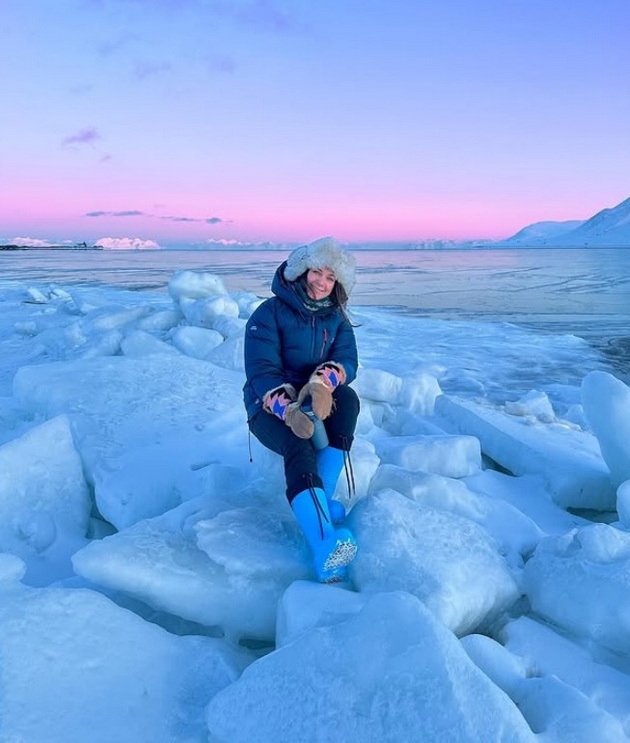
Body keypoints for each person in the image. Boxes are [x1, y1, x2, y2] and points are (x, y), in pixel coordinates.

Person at [243, 237, 360, 582]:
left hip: (311, 397)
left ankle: (319, 502)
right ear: (301, 272)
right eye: (317, 273)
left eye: (330, 278)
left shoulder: (336, 318)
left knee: (349, 400)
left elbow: (348, 360)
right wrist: (288, 409)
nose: (321, 283)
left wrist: (324, 383)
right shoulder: (268, 313)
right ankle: (324, 546)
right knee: (298, 445)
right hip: (267, 405)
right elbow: (262, 373)